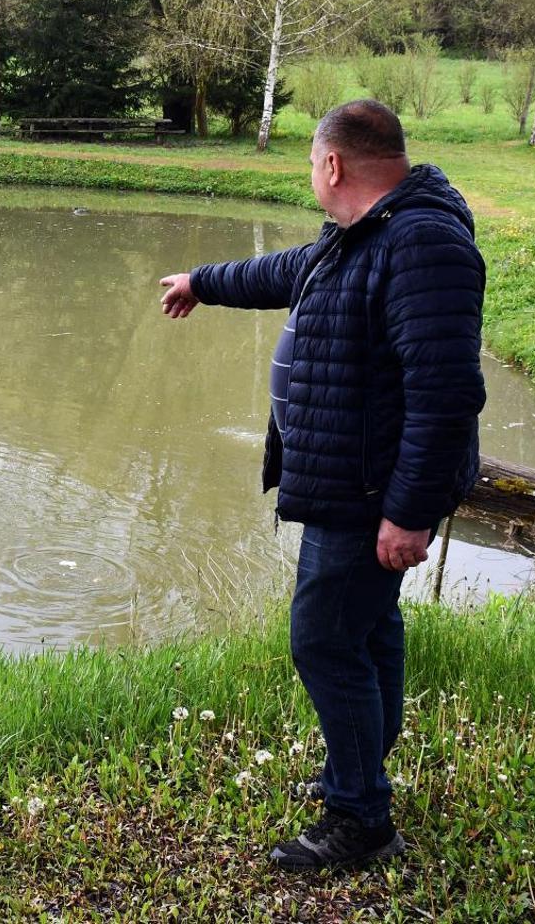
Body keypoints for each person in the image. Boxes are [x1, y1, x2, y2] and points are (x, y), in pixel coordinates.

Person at [157, 99, 485, 870]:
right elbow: (285, 270)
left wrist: (409, 513)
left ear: (333, 164)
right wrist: (203, 282)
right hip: (351, 480)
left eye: (311, 163)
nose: (311, 175)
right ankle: (359, 768)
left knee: (324, 639)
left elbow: (445, 397)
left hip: (369, 493)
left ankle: (361, 819)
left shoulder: (422, 244)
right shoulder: (362, 233)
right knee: (368, 630)